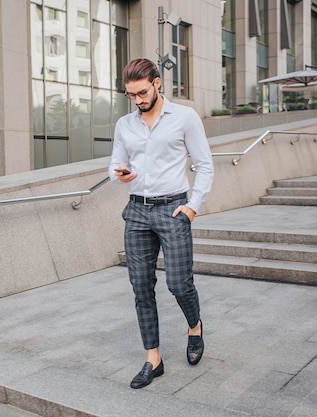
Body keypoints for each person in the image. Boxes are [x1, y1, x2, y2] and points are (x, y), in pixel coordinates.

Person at [109, 58, 214, 389]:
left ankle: (194, 326)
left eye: (142, 92)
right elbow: (114, 165)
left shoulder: (184, 117)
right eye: (131, 95)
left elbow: (204, 165)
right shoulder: (125, 124)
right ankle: (153, 359)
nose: (138, 100)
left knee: (178, 283)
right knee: (141, 287)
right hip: (137, 211)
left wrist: (192, 208)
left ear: (157, 83)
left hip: (173, 209)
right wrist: (120, 173)